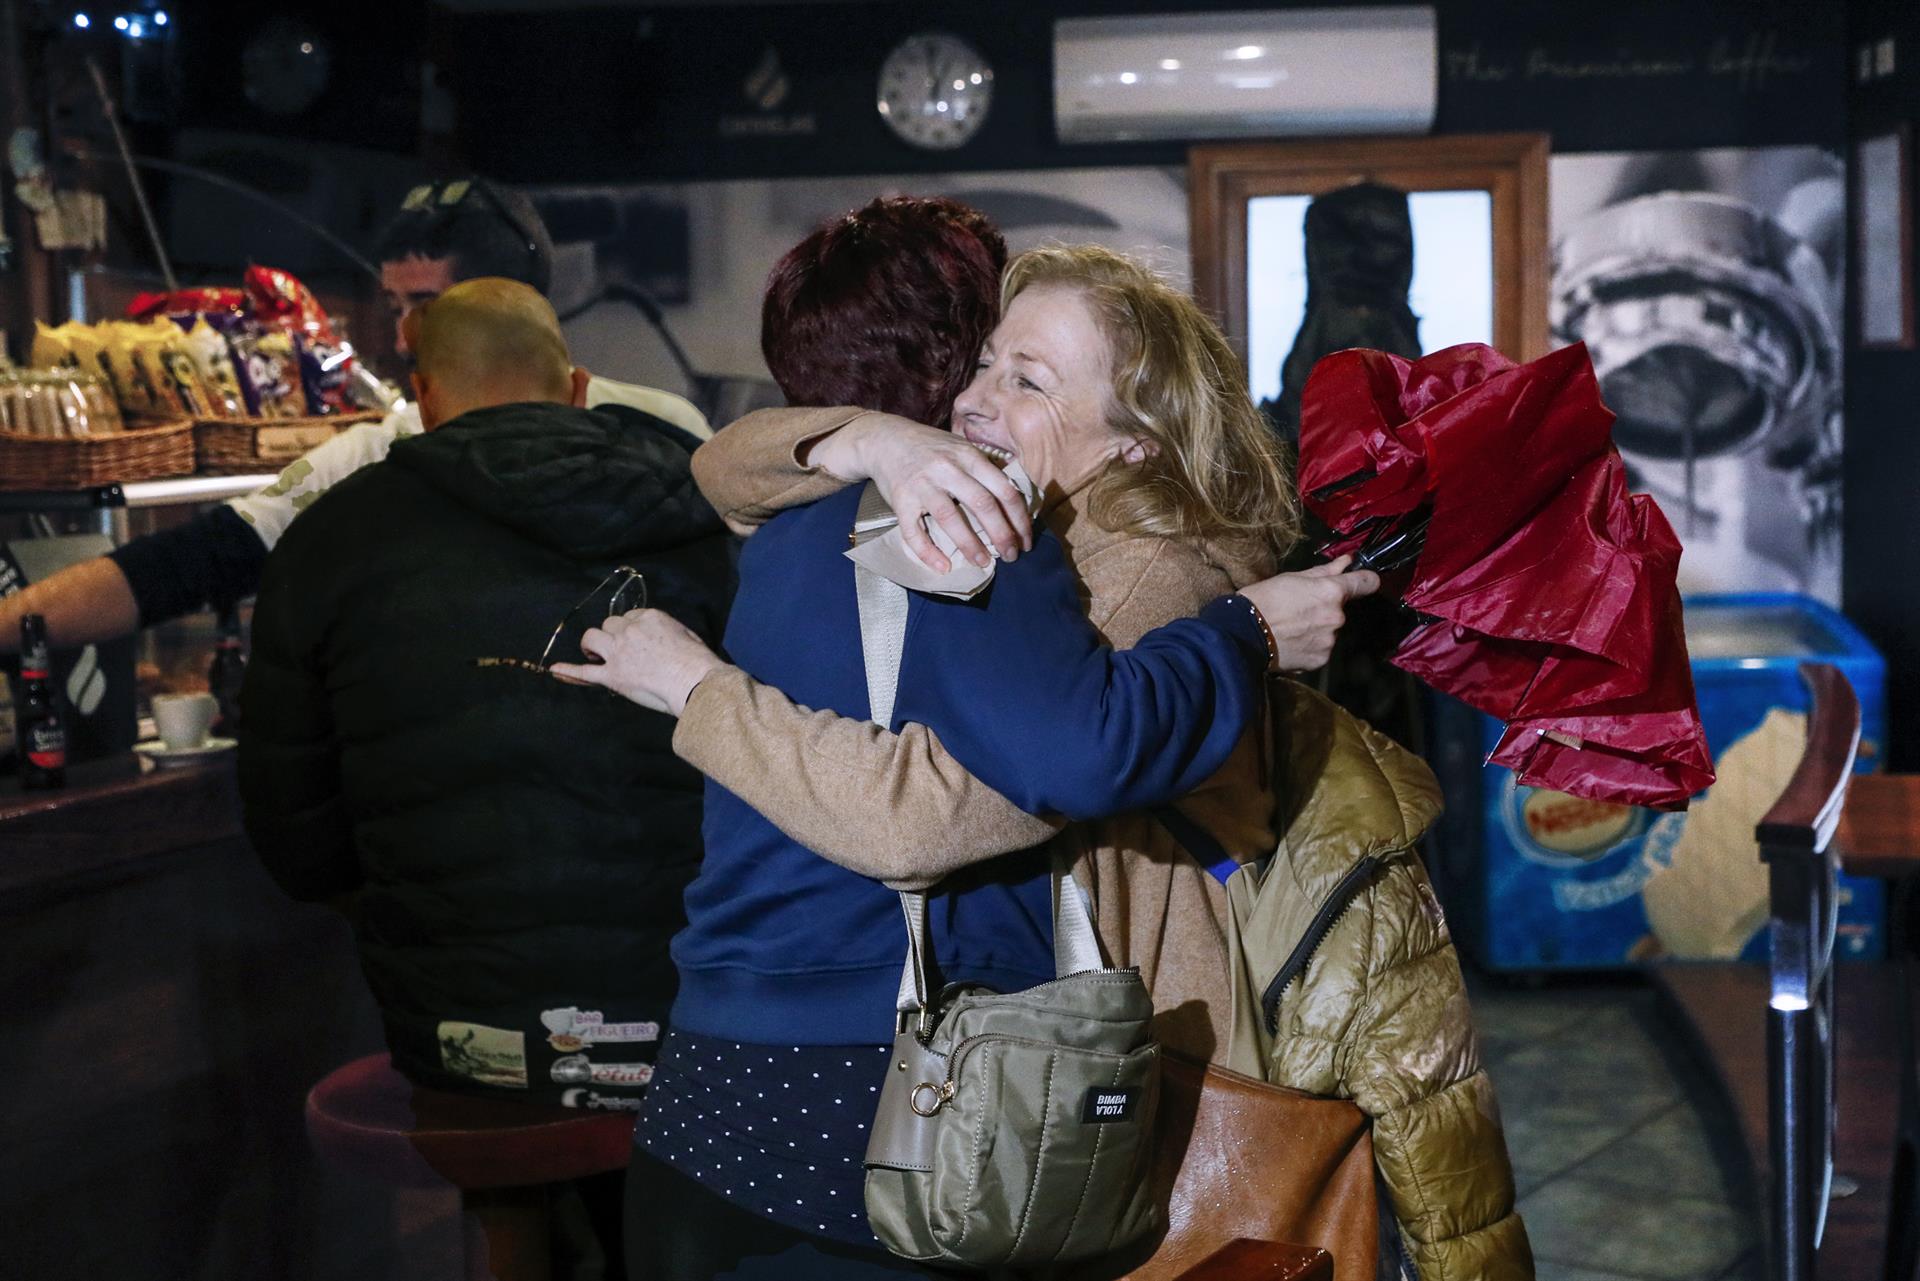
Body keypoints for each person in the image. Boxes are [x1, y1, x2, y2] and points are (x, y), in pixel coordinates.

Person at [573, 239, 1530, 1278]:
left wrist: (696, 691)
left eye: (1025, 379)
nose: (973, 399)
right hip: (931, 1057)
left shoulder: (1136, 565)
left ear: (1136, 441)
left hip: (1082, 1053)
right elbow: (726, 469)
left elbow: (934, 816)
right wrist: (876, 439)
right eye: (985, 361)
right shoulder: (999, 508)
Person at [238, 277, 732, 1121]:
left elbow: (296, 839)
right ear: (578, 388)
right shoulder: (702, 515)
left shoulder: (333, 538)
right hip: (694, 1020)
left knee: (509, 1160)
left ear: (422, 398)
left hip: (460, 1037)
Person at [0, 176, 707, 655]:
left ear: (511, 299)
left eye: (424, 308)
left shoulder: (668, 429)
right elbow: (190, 564)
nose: (401, 339)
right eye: (396, 309)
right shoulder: (382, 447)